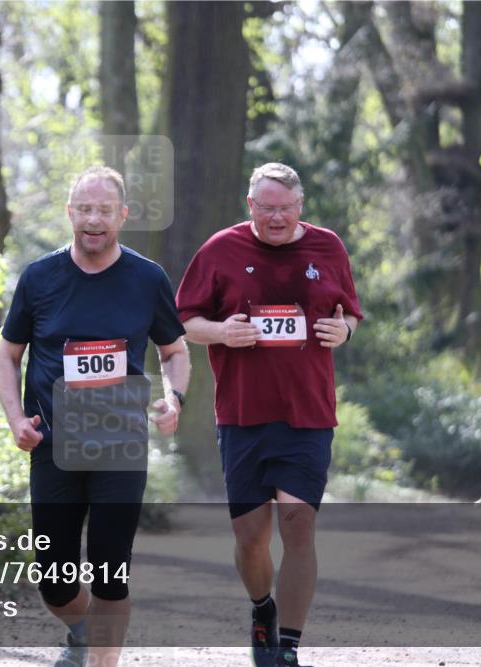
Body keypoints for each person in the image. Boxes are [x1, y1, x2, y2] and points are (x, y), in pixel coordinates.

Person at [0, 165, 190, 667]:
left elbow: (174, 350)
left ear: (122, 216)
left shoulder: (147, 279)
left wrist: (175, 398)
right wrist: (16, 418)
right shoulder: (40, 277)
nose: (94, 220)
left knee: (110, 573)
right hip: (54, 446)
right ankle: (84, 632)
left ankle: (103, 658)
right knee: (54, 583)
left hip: (121, 446)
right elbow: (7, 355)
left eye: (104, 210)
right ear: (70, 213)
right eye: (85, 209)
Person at [175, 163, 362, 667]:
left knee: (298, 524)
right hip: (242, 415)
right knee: (251, 538)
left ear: (300, 207)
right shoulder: (219, 250)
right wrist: (221, 333)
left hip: (308, 413)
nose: (276, 217)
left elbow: (349, 316)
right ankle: (263, 608)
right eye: (266, 208)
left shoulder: (328, 248)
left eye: (285, 208)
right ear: (249, 205)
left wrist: (344, 334)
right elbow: (185, 321)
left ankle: (288, 647)